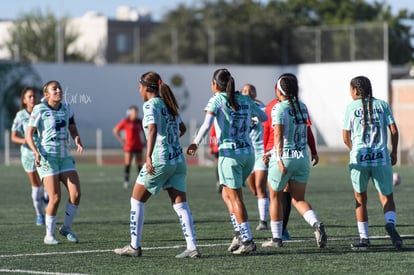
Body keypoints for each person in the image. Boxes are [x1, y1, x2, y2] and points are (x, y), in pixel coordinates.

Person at [114, 72, 200, 258]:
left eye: (139, 86)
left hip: (160, 159)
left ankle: (134, 247)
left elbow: (152, 129)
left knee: (136, 200)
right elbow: (182, 128)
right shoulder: (169, 104)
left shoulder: (150, 104)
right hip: (178, 160)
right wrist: (171, 140)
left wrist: (148, 156)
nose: (138, 90)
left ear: (146, 87)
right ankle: (192, 247)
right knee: (181, 204)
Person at [187, 68, 268, 255]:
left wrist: (195, 143)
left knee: (235, 197)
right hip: (248, 153)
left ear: (215, 84)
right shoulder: (245, 99)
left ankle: (247, 240)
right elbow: (263, 117)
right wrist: (249, 119)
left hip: (230, 155)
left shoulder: (217, 99)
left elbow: (206, 125)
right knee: (226, 194)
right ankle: (239, 234)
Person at [262, 75, 327, 249]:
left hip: (285, 158)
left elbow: (278, 135)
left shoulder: (278, 108)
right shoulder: (302, 107)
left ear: (279, 90)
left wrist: (278, 157)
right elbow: (304, 133)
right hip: (301, 158)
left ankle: (276, 239)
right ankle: (315, 224)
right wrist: (313, 152)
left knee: (275, 197)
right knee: (298, 199)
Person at [342, 76, 402, 250]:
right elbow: (394, 130)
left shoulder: (351, 107)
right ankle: (390, 224)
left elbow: (345, 136)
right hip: (381, 157)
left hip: (359, 159)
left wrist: (355, 150)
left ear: (355, 90)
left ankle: (364, 239)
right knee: (387, 197)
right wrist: (394, 151)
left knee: (360, 199)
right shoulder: (382, 105)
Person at [25, 80, 83, 245]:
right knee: (55, 197)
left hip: (65, 157)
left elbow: (72, 127)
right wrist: (36, 152)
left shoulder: (67, 108)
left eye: (60, 88)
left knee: (76, 194)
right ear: (46, 94)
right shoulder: (39, 109)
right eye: (54, 89)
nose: (58, 91)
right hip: (47, 158)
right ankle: (48, 235)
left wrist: (77, 138)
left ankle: (66, 227)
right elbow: (29, 134)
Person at [11, 87, 47, 226]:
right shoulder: (21, 115)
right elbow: (13, 137)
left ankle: (47, 201)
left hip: (44, 153)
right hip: (28, 155)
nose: (33, 99)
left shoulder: (42, 111)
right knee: (36, 185)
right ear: (24, 100)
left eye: (34, 96)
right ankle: (39, 214)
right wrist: (25, 140)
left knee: (48, 184)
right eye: (30, 97)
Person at [240, 83, 269, 231]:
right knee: (254, 190)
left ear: (255, 93)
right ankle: (268, 200)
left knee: (260, 186)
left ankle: (263, 221)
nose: (248, 92)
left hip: (261, 153)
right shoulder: (239, 109)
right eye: (244, 90)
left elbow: (268, 122)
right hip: (247, 154)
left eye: (251, 89)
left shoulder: (262, 109)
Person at [113, 105, 145, 189]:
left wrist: (145, 141)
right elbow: (115, 130)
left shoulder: (139, 122)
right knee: (128, 164)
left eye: (136, 112)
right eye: (134, 112)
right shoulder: (126, 121)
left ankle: (140, 182)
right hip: (129, 147)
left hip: (138, 146)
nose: (135, 113)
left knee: (139, 165)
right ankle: (126, 181)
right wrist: (122, 141)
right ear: (130, 112)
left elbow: (145, 131)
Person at [209, 124, 221, 193]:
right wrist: (211, 147)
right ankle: (219, 181)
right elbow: (212, 135)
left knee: (219, 165)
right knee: (219, 165)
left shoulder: (215, 122)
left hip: (219, 147)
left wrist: (211, 147)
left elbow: (212, 135)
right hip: (219, 147)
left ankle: (219, 181)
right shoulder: (215, 124)